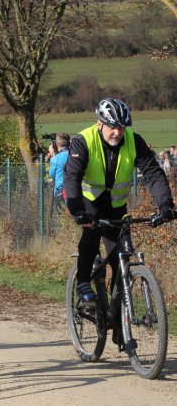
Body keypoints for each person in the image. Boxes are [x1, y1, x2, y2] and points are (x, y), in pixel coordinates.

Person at [63, 98, 175, 342]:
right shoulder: (84, 141)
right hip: (89, 203)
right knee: (91, 232)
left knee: (121, 257)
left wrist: (165, 205)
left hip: (116, 207)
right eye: (113, 127)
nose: (117, 132)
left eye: (122, 127)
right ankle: (83, 281)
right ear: (100, 124)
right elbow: (71, 177)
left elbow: (153, 173)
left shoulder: (134, 141)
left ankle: (117, 321)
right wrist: (77, 211)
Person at [48, 132, 70, 209]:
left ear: (56, 144)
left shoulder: (55, 159)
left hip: (61, 190)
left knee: (62, 213)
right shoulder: (75, 155)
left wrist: (54, 154)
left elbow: (52, 174)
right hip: (76, 188)